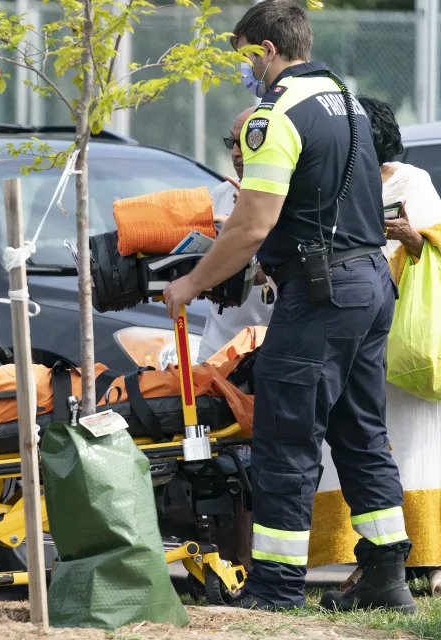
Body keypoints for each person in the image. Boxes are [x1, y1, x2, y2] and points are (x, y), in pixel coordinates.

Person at [162, 0, 414, 613]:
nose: (243, 71)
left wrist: (191, 284)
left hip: (322, 294)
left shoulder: (274, 117)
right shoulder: (347, 102)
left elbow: (252, 224)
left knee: (286, 440)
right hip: (369, 283)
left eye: (243, 57)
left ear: (264, 50)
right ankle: (386, 575)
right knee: (360, 433)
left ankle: (274, 590)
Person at [310, 96, 441, 597]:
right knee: (363, 445)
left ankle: (430, 559)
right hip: (354, 335)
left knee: (416, 448)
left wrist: (411, 235)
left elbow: (434, 243)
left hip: (404, 336)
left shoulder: (413, 181)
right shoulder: (339, 180)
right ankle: (376, 559)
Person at [198, 105, 273, 363]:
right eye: (232, 142)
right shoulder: (216, 198)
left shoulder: (293, 202)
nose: (236, 153)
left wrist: (251, 217)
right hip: (218, 353)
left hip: (273, 351)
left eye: (245, 143)